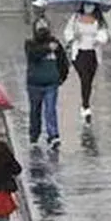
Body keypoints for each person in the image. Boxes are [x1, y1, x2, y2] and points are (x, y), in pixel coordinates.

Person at [26, 18, 70, 148]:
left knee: (50, 110)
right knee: (35, 110)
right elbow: (33, 55)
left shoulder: (55, 44)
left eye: (44, 25)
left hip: (51, 84)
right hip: (34, 84)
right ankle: (34, 135)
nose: (42, 28)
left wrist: (61, 77)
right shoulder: (30, 44)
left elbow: (63, 61)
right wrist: (47, 48)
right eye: (39, 26)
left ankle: (53, 135)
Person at [63, 2, 108, 124]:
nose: (89, 7)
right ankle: (86, 105)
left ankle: (85, 102)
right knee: (85, 78)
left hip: (93, 53)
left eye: (91, 5)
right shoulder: (75, 18)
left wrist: (98, 39)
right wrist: (73, 36)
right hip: (79, 53)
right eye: (87, 4)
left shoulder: (99, 19)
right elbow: (67, 32)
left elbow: (104, 34)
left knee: (89, 79)